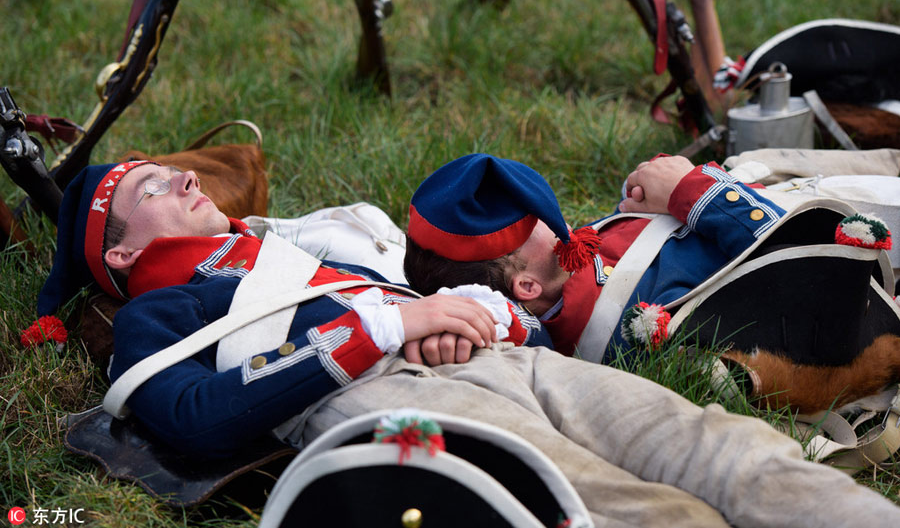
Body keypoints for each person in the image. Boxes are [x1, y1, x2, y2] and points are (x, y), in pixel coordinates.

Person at [36, 160, 900, 527]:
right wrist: (384, 326)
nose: (185, 174)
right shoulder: (156, 313)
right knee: (634, 509)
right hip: (374, 399)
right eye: (150, 184)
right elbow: (194, 419)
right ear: (118, 253)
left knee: (724, 447)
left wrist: (466, 313)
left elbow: (414, 293)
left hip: (502, 359)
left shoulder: (298, 239)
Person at [402, 153, 900, 412]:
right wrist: (693, 191)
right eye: (532, 225)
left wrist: (649, 198)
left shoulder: (580, 274)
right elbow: (804, 266)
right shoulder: (633, 325)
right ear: (527, 287)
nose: (556, 225)